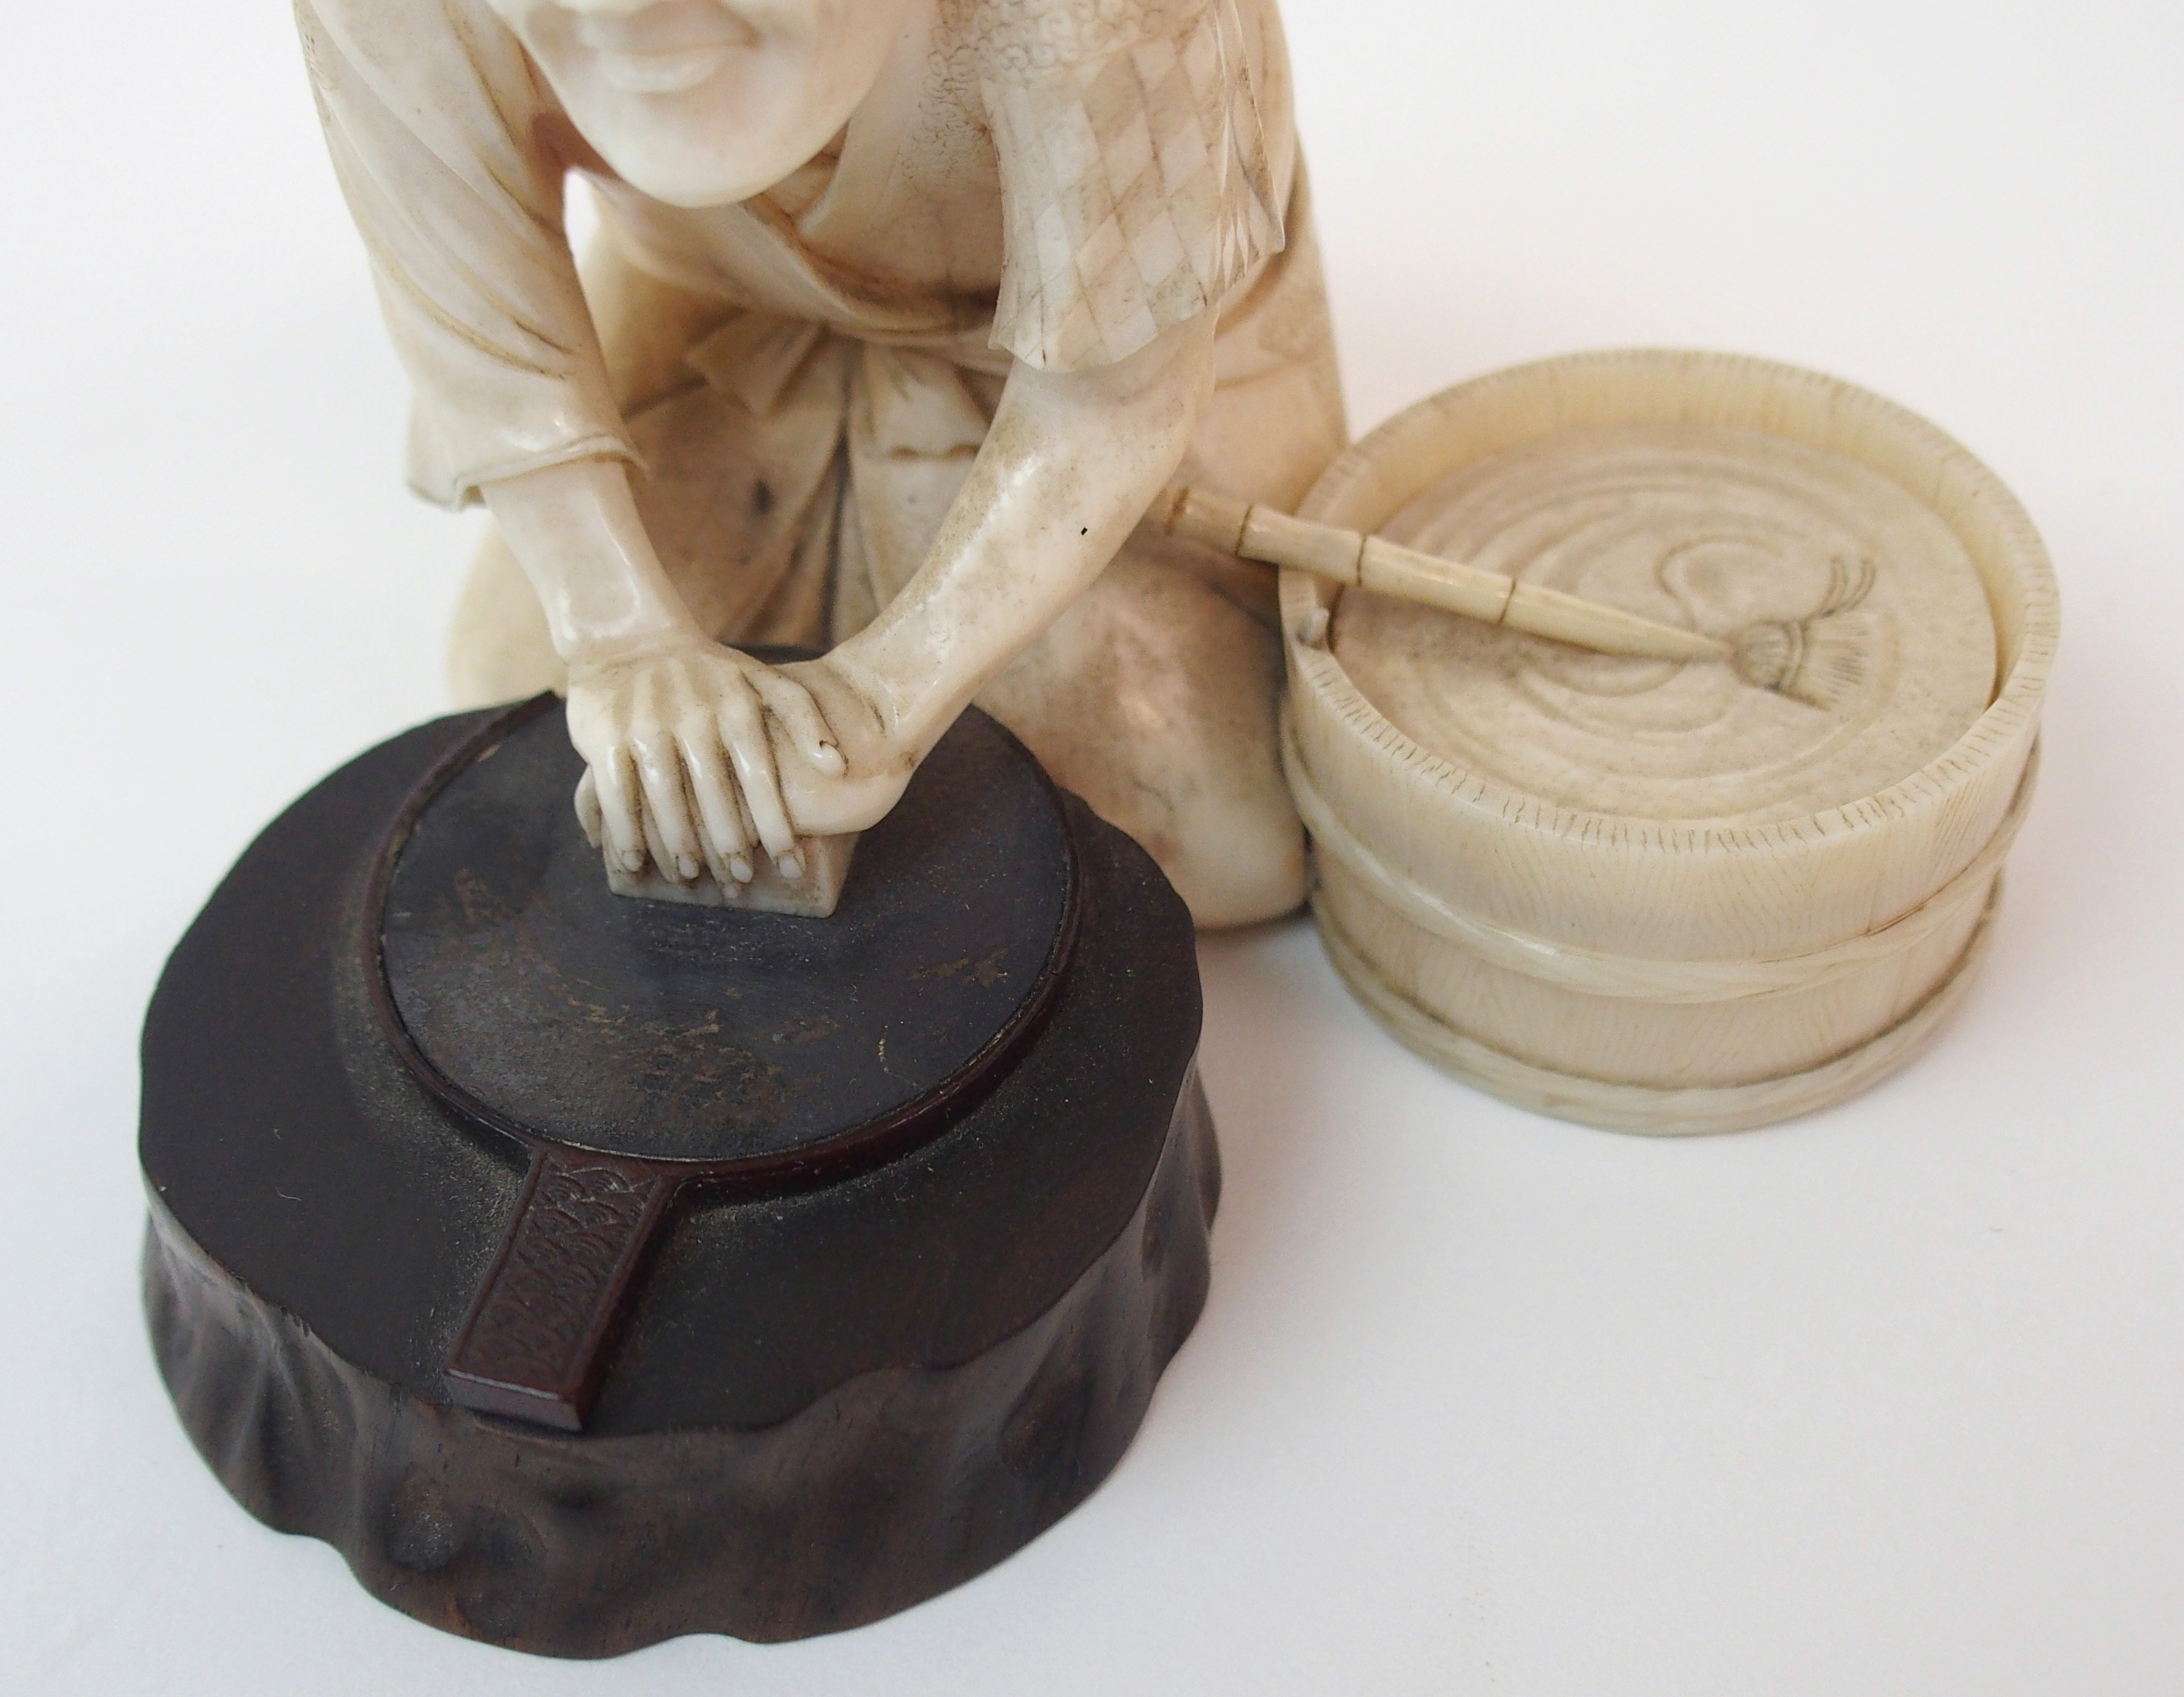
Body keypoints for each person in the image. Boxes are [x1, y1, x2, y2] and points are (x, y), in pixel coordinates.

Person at [298, 0, 1345, 924]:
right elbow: (491, 339)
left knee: (1211, 833)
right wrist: (623, 638)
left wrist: (890, 694)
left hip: (1102, 331)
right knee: (513, 704)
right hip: (712, 283)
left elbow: (1115, 393)